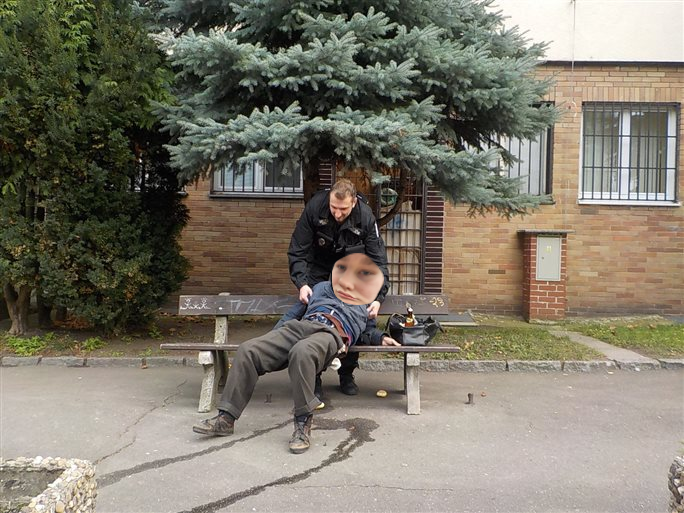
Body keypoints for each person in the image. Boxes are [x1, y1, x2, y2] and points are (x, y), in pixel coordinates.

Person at [193, 260, 400, 454]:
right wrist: (273, 337)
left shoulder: (365, 302)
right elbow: (293, 314)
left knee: (302, 352)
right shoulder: (319, 289)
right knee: (248, 350)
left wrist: (381, 338)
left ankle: (302, 424)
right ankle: (226, 418)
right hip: (301, 326)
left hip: (331, 333)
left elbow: (367, 331)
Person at [275, 178, 390, 397]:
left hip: (351, 269)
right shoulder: (315, 207)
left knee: (353, 316)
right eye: (333, 207)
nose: (337, 213)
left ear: (354, 202)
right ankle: (315, 378)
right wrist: (302, 283)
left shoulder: (365, 217)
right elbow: (298, 249)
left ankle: (346, 373)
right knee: (315, 318)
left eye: (343, 209)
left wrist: (378, 298)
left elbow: (378, 261)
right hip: (318, 268)